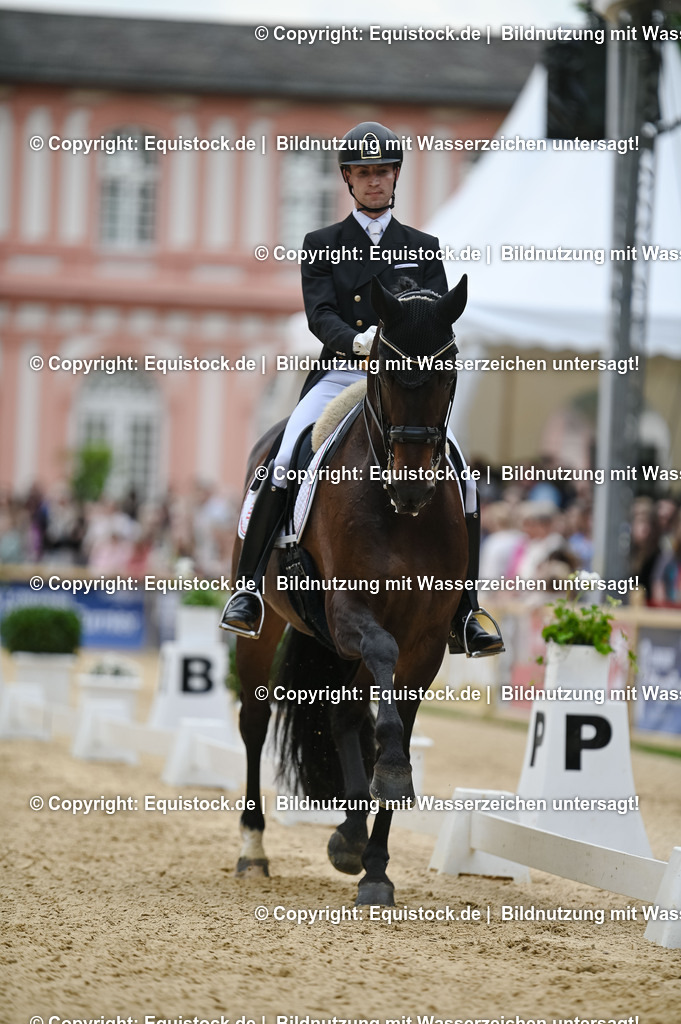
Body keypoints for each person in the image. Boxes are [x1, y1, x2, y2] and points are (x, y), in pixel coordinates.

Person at [221, 121, 503, 657]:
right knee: (281, 459)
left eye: (383, 173)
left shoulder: (423, 247)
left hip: (403, 382)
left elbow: (437, 317)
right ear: (349, 179)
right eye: (364, 173)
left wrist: (409, 347)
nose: (375, 182)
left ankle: (466, 609)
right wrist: (355, 342)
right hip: (342, 374)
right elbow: (319, 314)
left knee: (463, 476)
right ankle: (249, 588)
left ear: (395, 176)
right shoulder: (322, 245)